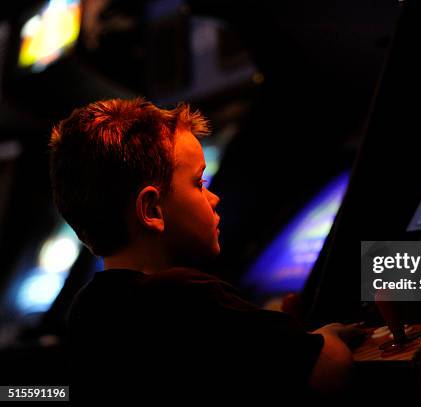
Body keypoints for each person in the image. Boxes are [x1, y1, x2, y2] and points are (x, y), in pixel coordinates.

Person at [48, 98, 359, 401]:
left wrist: (286, 334)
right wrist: (328, 338)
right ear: (152, 210)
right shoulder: (184, 296)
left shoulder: (88, 307)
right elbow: (328, 371)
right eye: (199, 183)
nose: (214, 198)